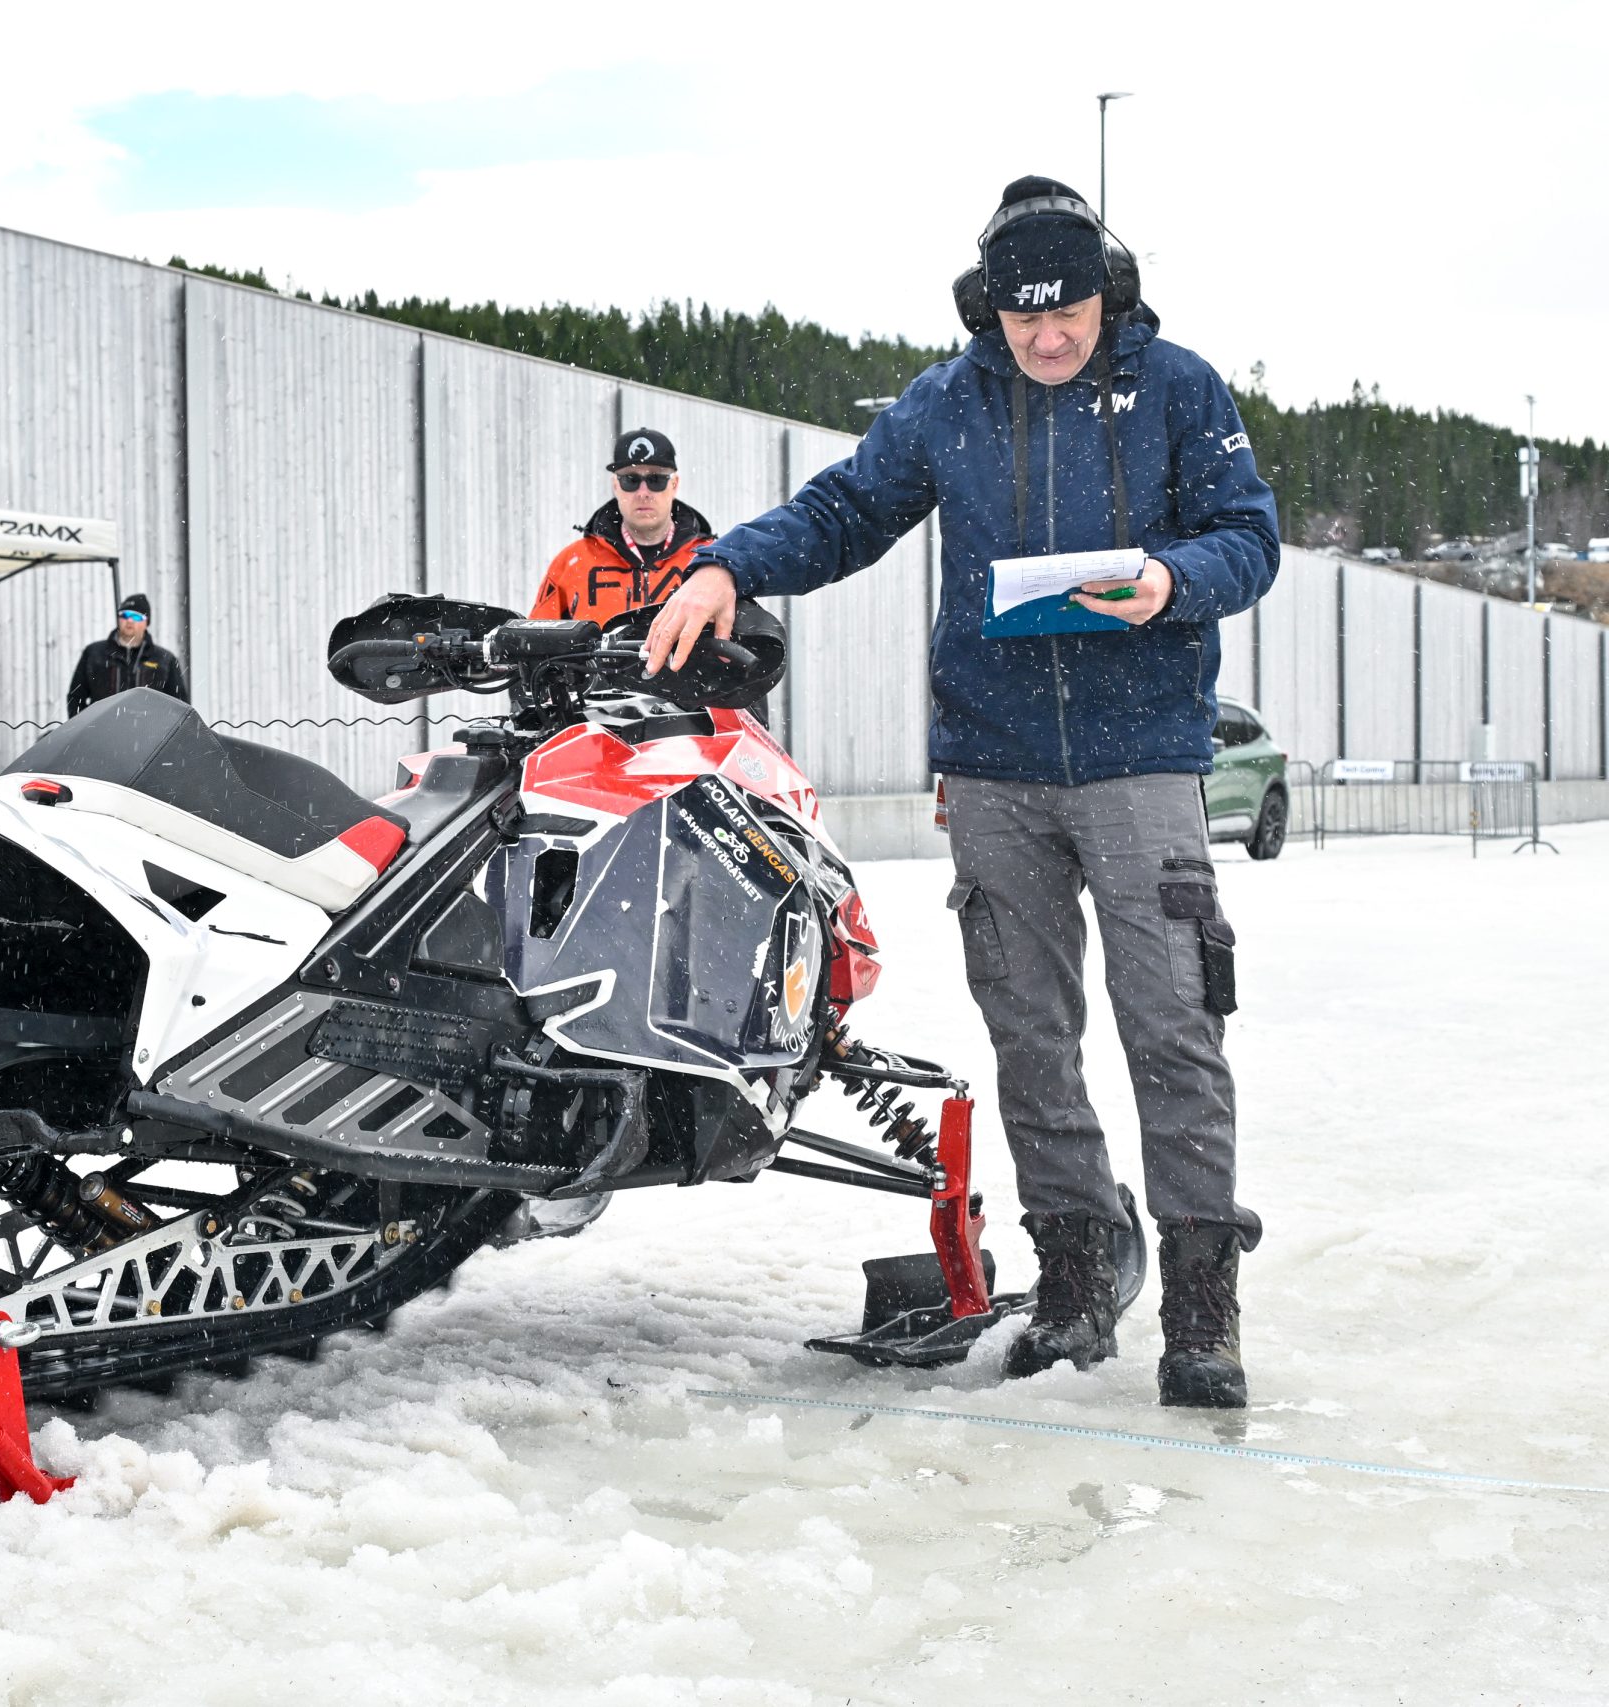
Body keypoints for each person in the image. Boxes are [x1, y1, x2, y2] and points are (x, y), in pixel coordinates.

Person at [645, 176, 1279, 1409]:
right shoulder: (949, 402)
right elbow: (844, 512)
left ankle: (1203, 1308)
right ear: (987, 308)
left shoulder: (1180, 390)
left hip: (1141, 759)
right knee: (1029, 1033)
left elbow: (1248, 538)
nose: (1046, 339)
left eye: (1068, 314)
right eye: (1022, 318)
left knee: (1172, 1025)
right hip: (994, 767)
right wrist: (724, 566)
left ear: (1108, 295)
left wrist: (1170, 579)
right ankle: (1076, 1281)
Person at [530, 429, 716, 624]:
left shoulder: (709, 560)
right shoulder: (572, 562)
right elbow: (536, 636)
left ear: (674, 484)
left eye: (656, 480)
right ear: (615, 486)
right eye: (630, 480)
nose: (643, 493)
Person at [66, 592, 188, 716]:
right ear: (118, 619)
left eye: (136, 617)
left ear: (146, 622)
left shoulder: (164, 660)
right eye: (125, 615)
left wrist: (160, 726)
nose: (129, 620)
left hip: (148, 728)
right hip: (104, 727)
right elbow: (75, 697)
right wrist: (85, 725)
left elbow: (179, 705)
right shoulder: (94, 654)